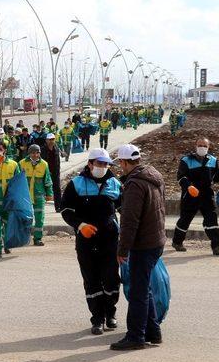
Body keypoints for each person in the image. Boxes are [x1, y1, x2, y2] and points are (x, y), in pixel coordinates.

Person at [111, 144, 166, 351]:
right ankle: (153, 331)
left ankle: (136, 336)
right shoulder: (154, 176)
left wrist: (122, 249)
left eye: (121, 163)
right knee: (144, 289)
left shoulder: (135, 185)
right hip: (156, 240)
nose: (121, 167)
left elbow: (129, 221)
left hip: (144, 244)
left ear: (125, 162)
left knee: (138, 292)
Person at [61, 149, 122, 335]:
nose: (103, 167)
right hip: (86, 241)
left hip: (110, 240)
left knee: (111, 279)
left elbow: (126, 209)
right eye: (99, 163)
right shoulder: (76, 184)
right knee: (91, 279)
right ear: (90, 164)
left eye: (105, 164)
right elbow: (66, 210)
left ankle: (110, 314)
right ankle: (97, 318)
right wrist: (80, 226)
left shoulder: (114, 183)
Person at [172, 138, 219, 255]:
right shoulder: (186, 160)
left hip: (207, 195)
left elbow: (217, 177)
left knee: (212, 219)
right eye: (200, 145)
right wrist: (188, 186)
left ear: (208, 147)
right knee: (185, 220)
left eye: (204, 145)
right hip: (191, 194)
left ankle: (216, 246)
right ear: (195, 146)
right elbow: (181, 177)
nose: (202, 147)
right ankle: (177, 242)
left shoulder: (213, 160)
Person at [19, 144, 53, 246]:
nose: (35, 155)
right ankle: (24, 238)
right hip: (25, 195)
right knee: (25, 217)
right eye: (33, 152)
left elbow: (47, 181)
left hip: (39, 195)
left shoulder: (44, 164)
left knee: (39, 217)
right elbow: (17, 180)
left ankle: (37, 238)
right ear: (29, 153)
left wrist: (49, 194)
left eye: (37, 152)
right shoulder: (22, 163)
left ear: (39, 153)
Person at [41, 133, 62, 212]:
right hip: (45, 173)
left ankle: (58, 207)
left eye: (53, 139)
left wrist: (58, 171)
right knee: (43, 190)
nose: (51, 141)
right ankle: (40, 207)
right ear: (46, 140)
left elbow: (58, 161)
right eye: (49, 139)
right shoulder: (42, 149)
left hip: (55, 172)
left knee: (57, 189)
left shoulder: (56, 148)